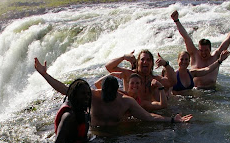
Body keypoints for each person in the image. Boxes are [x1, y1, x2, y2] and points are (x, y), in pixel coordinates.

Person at [34, 57, 192, 136]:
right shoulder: (93, 95)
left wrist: (172, 120)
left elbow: (149, 117)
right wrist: (44, 74)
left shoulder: (126, 102)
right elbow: (65, 89)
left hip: (117, 138)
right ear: (100, 90)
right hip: (94, 135)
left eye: (110, 93)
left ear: (117, 90)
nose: (106, 96)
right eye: (104, 92)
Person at [171, 10, 230, 89]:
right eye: (201, 50)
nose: (203, 53)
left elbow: (228, 39)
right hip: (196, 91)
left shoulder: (216, 56)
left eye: (206, 50)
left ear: (210, 50)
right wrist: (176, 21)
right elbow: (186, 37)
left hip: (212, 92)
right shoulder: (194, 54)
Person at [105, 50, 172, 111]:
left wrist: (166, 64)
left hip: (147, 111)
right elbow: (109, 67)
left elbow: (172, 82)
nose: (145, 62)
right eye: (142, 59)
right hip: (129, 110)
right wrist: (123, 57)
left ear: (152, 63)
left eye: (148, 60)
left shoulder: (155, 79)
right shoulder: (129, 74)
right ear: (138, 62)